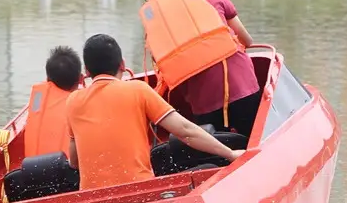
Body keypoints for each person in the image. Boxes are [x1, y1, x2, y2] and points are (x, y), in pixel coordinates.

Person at [66, 33, 243, 191]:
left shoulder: (73, 102)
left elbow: (74, 162)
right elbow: (185, 131)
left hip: (92, 201)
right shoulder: (137, 90)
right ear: (122, 64)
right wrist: (230, 153)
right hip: (139, 193)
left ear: (87, 72)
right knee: (208, 168)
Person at [136, 0, 261, 139]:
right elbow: (247, 40)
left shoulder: (157, 26)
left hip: (205, 105)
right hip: (243, 88)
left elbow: (167, 73)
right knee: (254, 142)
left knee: (217, 156)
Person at [24, 45, 83, 159]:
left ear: (47, 79)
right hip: (64, 174)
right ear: (81, 79)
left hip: (30, 171)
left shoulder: (38, 98)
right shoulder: (79, 106)